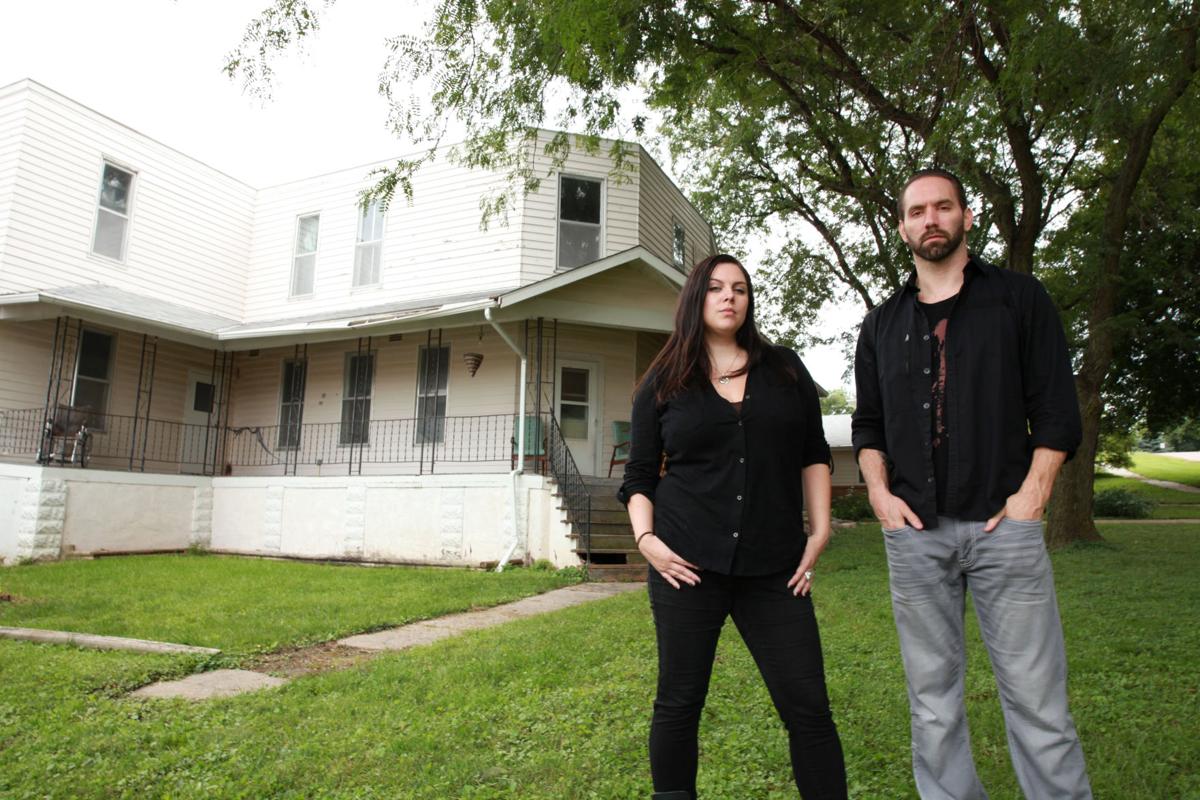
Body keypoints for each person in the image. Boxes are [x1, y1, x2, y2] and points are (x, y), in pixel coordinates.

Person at [852, 168, 1093, 799]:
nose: (930, 219)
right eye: (917, 211)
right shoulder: (879, 326)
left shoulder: (1019, 299)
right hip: (914, 535)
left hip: (1004, 528)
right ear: (902, 227)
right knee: (932, 705)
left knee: (1039, 704)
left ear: (965, 216)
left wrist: (1033, 495)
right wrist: (878, 494)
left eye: (943, 206)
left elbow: (1056, 409)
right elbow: (868, 425)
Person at [618, 253, 848, 800]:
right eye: (717, 288)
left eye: (740, 289)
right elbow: (640, 475)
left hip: (775, 567)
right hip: (685, 565)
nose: (729, 297)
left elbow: (813, 453)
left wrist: (819, 531)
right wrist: (647, 541)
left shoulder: (785, 369)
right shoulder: (663, 381)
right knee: (679, 703)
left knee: (809, 707)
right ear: (696, 298)